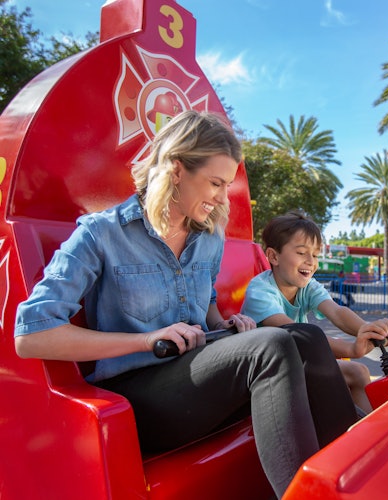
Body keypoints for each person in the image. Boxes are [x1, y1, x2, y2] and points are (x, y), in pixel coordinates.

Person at [14, 111, 362, 498]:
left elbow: (205, 301)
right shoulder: (102, 234)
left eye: (226, 185)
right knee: (273, 346)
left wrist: (227, 325)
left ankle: (352, 478)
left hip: (195, 380)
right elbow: (32, 334)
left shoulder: (208, 238)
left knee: (306, 336)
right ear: (177, 169)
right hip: (139, 398)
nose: (221, 197)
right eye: (215, 183)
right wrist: (146, 341)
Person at [241, 211, 388, 414]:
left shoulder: (307, 286)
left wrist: (371, 330)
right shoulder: (260, 291)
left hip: (292, 361)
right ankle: (365, 439)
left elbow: (336, 312)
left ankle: (366, 433)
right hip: (261, 371)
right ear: (273, 256)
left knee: (357, 372)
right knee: (356, 371)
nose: (311, 261)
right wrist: (351, 350)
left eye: (316, 255)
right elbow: (297, 333)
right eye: (301, 253)